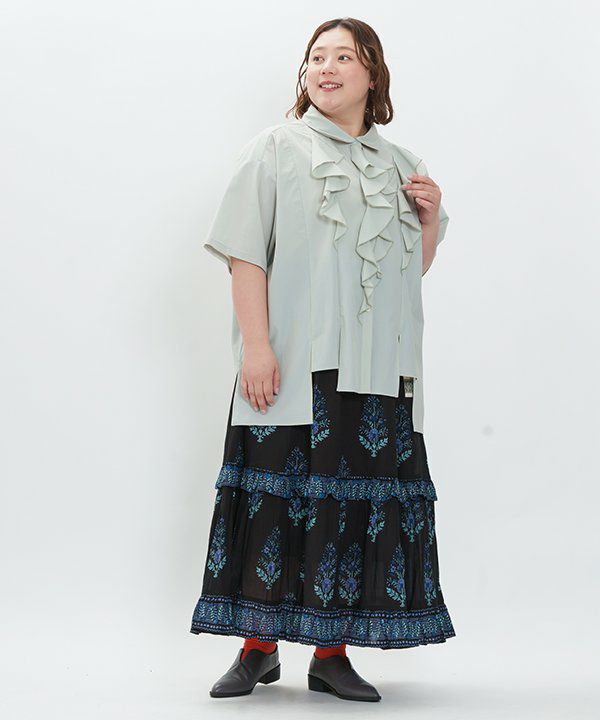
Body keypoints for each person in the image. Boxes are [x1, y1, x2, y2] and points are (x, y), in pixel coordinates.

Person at [190, 16, 456, 702]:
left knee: (348, 510)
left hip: (375, 372)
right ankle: (258, 648)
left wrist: (428, 222)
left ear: (373, 73)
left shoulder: (403, 164)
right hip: (293, 365)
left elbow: (407, 275)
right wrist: (256, 347)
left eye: (344, 57)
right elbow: (245, 254)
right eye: (316, 57)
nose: (326, 68)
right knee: (274, 501)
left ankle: (330, 654)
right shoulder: (275, 149)